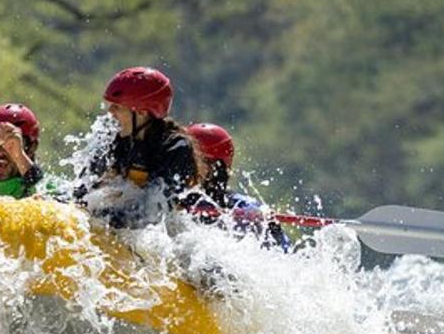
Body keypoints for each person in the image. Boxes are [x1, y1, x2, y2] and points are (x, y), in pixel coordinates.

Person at [74, 66, 198, 227]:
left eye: (117, 107)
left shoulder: (176, 148)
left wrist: (100, 218)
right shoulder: (113, 140)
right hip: (120, 227)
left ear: (141, 112)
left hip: (163, 237)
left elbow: (153, 210)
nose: (110, 112)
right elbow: (82, 188)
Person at [185, 122, 289, 250]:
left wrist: (272, 227)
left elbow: (283, 251)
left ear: (218, 168)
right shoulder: (168, 198)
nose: (184, 169)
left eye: (195, 163)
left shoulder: (240, 205)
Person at [0, 103, 44, 198]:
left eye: (11, 145)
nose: (0, 152)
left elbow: (39, 187)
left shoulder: (46, 188)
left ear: (32, 147)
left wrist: (19, 155)